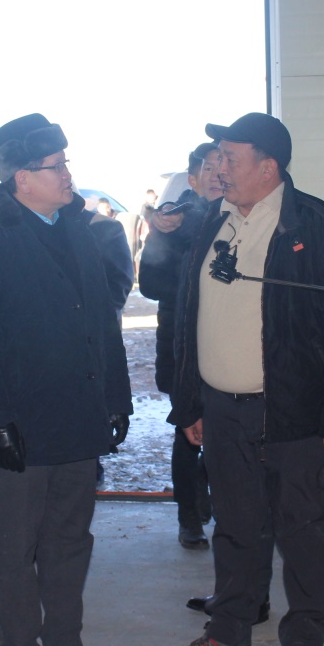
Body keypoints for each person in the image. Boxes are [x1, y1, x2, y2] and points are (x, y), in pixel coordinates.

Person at [166, 112, 324, 646]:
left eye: (230, 158)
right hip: (221, 406)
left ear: (268, 167)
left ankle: (303, 642)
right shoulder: (212, 221)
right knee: (234, 524)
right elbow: (187, 316)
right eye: (218, 158)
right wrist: (191, 403)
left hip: (292, 408)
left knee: (301, 526)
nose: (219, 168)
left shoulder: (316, 226)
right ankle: (229, 631)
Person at [0, 113, 131, 646]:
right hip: (22, 419)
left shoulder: (78, 226)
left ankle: (66, 645)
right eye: (56, 167)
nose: (68, 175)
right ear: (22, 178)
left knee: (71, 537)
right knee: (16, 542)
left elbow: (102, 320)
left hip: (79, 410)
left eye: (66, 163)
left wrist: (116, 397)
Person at [139, 141, 223, 549]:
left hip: (229, 347)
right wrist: (162, 234)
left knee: (227, 430)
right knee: (187, 432)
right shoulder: (174, 220)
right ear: (193, 179)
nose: (218, 174)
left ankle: (209, 492)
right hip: (181, 345)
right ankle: (188, 517)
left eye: (224, 165)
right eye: (209, 168)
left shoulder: (243, 216)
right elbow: (151, 285)